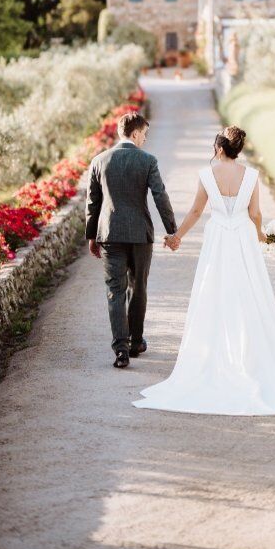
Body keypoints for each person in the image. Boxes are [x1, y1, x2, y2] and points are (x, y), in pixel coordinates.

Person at [133, 125, 275, 415]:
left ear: (219, 148)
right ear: (238, 150)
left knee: (215, 295)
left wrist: (177, 236)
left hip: (218, 238)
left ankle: (216, 358)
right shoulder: (251, 176)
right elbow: (255, 213)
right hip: (243, 239)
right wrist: (260, 236)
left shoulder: (207, 175)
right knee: (249, 295)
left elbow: (196, 211)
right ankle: (252, 359)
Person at [87, 111, 177, 369]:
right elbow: (160, 196)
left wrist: (91, 236)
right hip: (140, 235)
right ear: (135, 133)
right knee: (138, 288)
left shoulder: (99, 161)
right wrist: (172, 230)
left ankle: (121, 350)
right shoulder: (148, 161)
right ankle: (136, 341)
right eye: (145, 135)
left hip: (109, 235)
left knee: (115, 291)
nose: (145, 140)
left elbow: (93, 203)